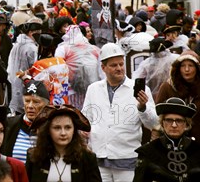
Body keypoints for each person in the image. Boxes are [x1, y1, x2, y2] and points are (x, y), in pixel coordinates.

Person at [82, 43, 158, 182]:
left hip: (127, 159)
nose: (119, 68)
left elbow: (154, 123)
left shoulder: (140, 89)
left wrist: (143, 107)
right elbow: (86, 119)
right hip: (99, 158)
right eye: (113, 65)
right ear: (103, 68)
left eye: (121, 64)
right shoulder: (93, 89)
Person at [26, 104, 101, 182]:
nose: (63, 133)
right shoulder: (34, 157)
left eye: (68, 127)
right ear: (48, 131)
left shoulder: (87, 158)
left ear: (74, 130)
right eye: (57, 128)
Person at [133, 97, 200, 182]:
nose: (174, 125)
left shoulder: (197, 150)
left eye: (179, 121)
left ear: (186, 124)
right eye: (169, 120)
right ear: (162, 123)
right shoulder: (148, 151)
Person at [2, 79, 50, 163]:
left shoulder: (51, 127)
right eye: (27, 101)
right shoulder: (9, 125)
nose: (30, 106)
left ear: (46, 105)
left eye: (36, 102)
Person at [156, 51, 200, 141]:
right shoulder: (167, 87)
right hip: (173, 140)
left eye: (190, 66)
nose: (186, 69)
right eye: (183, 66)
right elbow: (159, 115)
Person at [8, 18, 43, 114]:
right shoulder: (31, 48)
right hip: (26, 83)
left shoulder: (16, 45)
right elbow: (35, 68)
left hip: (15, 81)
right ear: (32, 32)